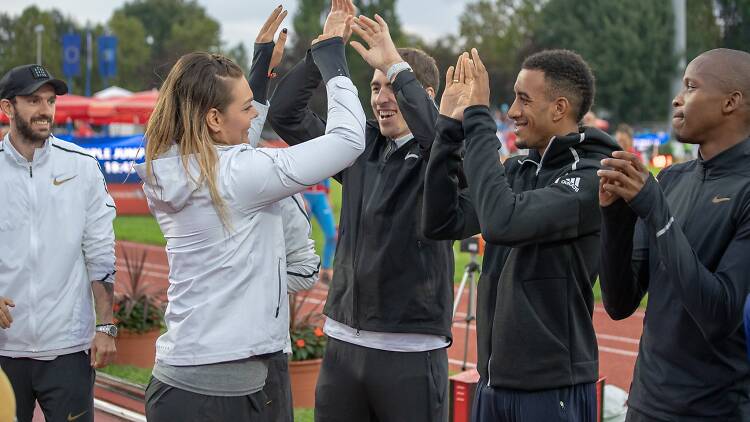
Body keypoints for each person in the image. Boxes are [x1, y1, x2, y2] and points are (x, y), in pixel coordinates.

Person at [136, 6, 365, 421]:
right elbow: (349, 139)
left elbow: (234, 146)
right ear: (213, 118)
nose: (256, 113)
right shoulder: (238, 175)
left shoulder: (170, 165)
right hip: (224, 395)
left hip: (175, 384)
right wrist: (332, 57)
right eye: (246, 108)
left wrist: (259, 66)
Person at [269, 1, 453, 420]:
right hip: (343, 344)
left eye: (391, 86)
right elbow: (285, 115)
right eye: (374, 88)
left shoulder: (441, 154)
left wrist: (397, 68)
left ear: (423, 95)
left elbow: (442, 144)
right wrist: (326, 49)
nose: (382, 99)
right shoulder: (359, 146)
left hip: (410, 348)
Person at [424, 49, 619, 422]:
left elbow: (502, 222)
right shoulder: (519, 169)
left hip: (551, 390)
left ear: (559, 108)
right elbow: (441, 222)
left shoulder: (591, 177)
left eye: (523, 99)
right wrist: (449, 128)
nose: (512, 111)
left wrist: (479, 118)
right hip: (494, 383)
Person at [598, 48, 750, 421]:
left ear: (731, 102)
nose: (676, 98)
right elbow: (619, 304)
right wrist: (616, 217)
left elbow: (718, 314)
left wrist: (655, 211)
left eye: (691, 86)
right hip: (646, 404)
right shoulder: (670, 180)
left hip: (714, 412)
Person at [0, 64, 117, 422]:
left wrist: (106, 327)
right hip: (4, 350)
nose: (45, 110)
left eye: (50, 101)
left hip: (68, 350)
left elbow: (100, 254)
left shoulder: (82, 167)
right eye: (33, 100)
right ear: (7, 108)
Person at [302, 179, 337, 284]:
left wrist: (328, 197)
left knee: (332, 235)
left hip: (320, 196)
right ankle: (298, 269)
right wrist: (301, 198)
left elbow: (326, 174)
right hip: (304, 194)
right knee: (300, 236)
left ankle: (325, 270)